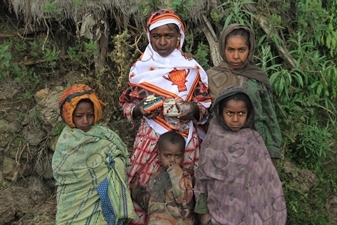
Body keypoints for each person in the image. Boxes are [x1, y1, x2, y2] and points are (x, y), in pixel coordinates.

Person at [118, 8, 211, 225]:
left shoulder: (191, 68)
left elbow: (206, 104)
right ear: (148, 36)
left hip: (185, 145)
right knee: (143, 188)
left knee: (185, 192)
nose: (162, 42)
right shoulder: (141, 69)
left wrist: (194, 110)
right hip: (150, 142)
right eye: (156, 36)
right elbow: (125, 104)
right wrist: (139, 110)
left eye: (169, 36)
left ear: (179, 37)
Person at [194, 85, 287, 225]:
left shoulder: (253, 140)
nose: (236, 119)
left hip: (250, 213)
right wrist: (203, 214)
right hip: (218, 212)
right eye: (230, 113)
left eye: (241, 113)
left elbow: (267, 180)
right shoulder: (213, 139)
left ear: (248, 113)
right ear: (220, 112)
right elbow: (202, 177)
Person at [52, 84, 135, 225]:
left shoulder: (104, 135)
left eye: (90, 115)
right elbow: (61, 171)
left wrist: (113, 164)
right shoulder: (66, 142)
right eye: (79, 116)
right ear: (69, 115)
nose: (85, 120)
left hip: (103, 197)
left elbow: (120, 155)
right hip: (73, 203)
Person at [207, 24, 282, 165]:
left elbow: (270, 115)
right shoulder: (211, 76)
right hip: (221, 149)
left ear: (250, 50)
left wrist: (272, 153)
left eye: (241, 50)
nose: (236, 56)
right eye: (230, 50)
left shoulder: (257, 78)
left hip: (255, 147)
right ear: (223, 48)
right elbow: (204, 114)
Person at [129, 131, 194, 225]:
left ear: (183, 156)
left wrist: (175, 171)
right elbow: (149, 204)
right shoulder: (155, 177)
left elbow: (184, 199)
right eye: (167, 155)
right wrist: (136, 189)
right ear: (159, 155)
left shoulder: (185, 176)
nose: (172, 160)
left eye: (177, 156)